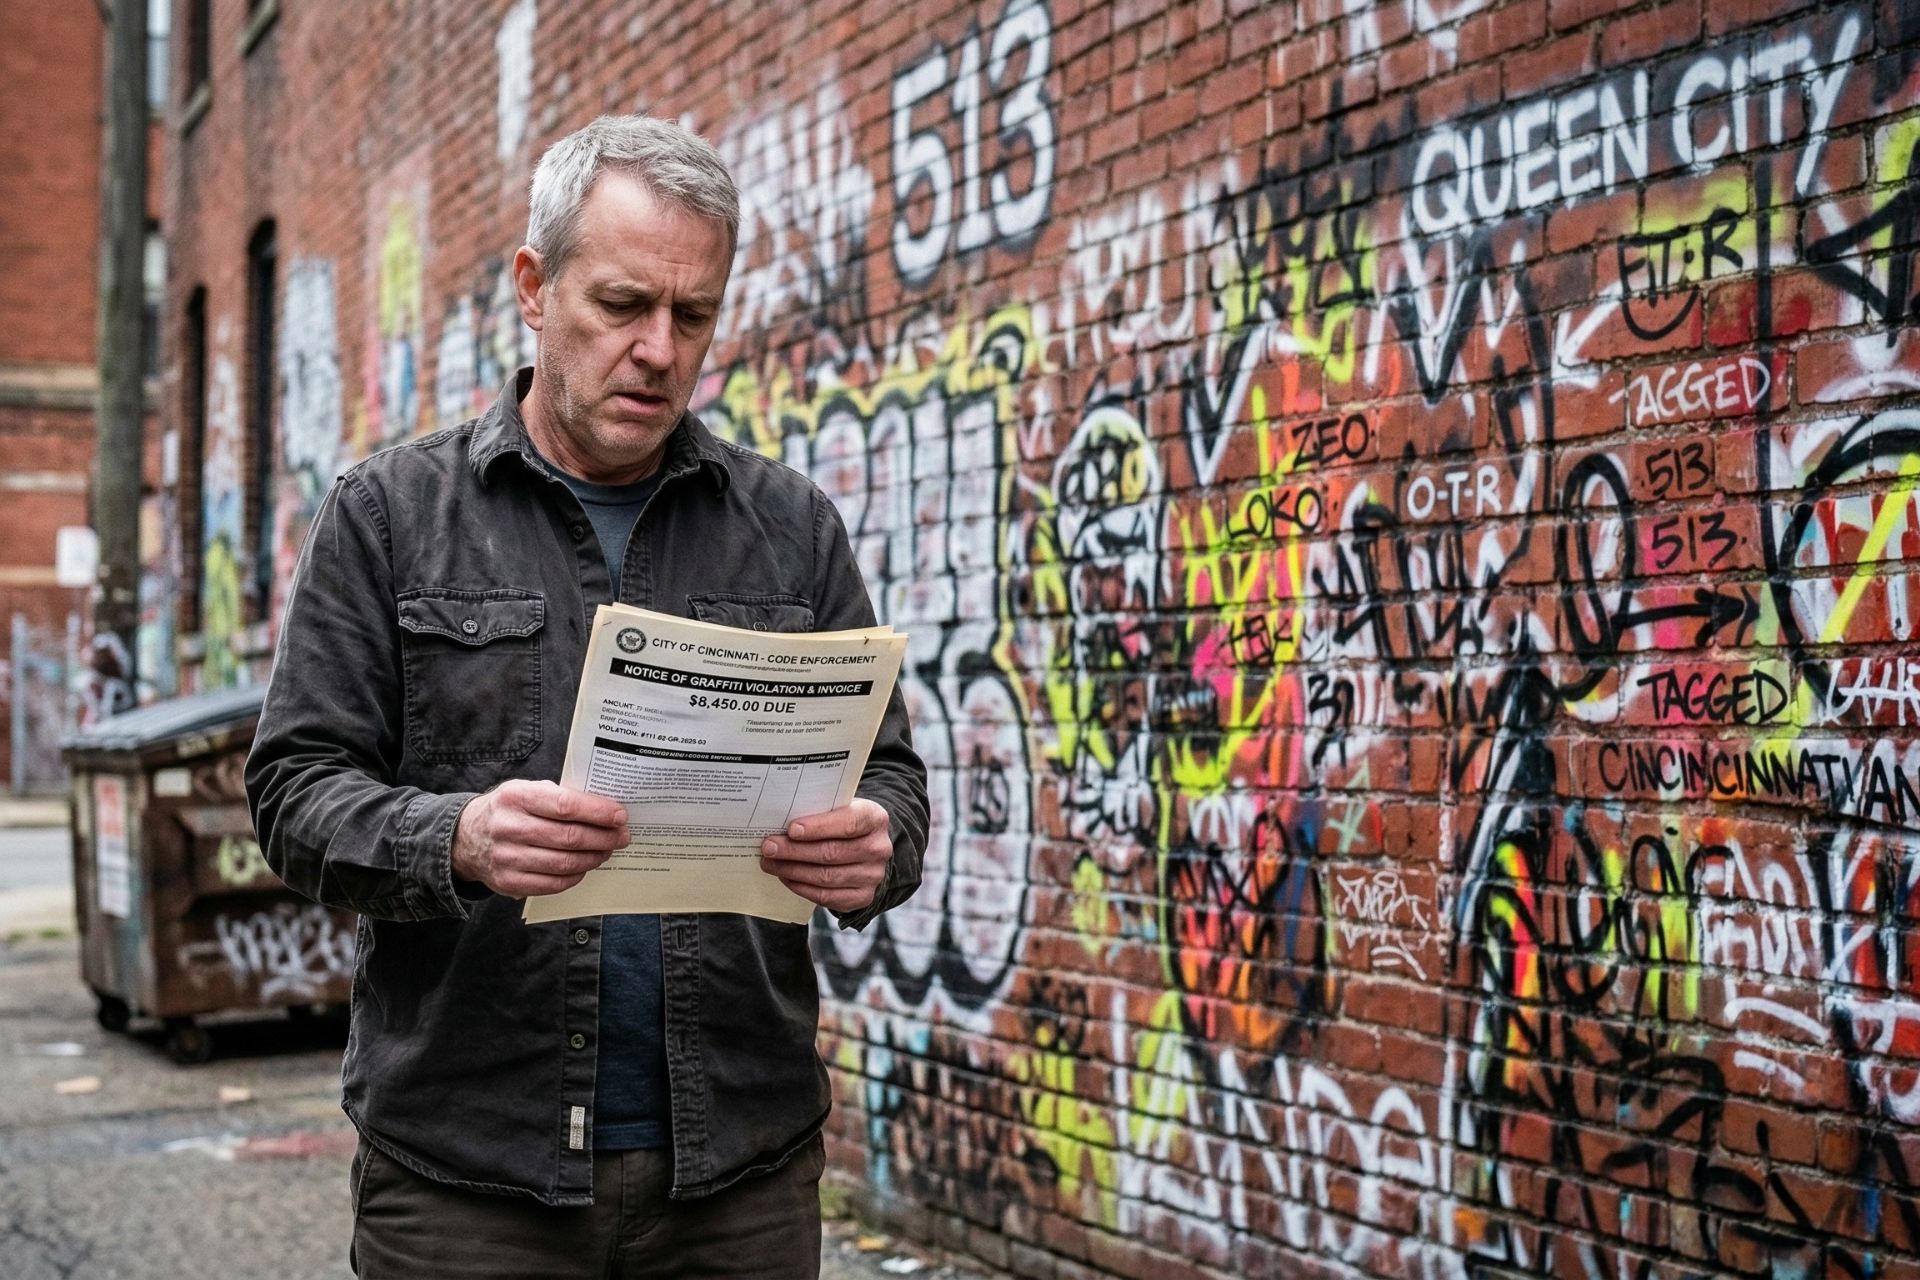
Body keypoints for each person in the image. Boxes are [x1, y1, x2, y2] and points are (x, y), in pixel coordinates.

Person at [246, 115, 927, 1279]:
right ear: (534, 284)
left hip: (741, 1176)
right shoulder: (389, 514)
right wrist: (454, 835)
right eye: (621, 306)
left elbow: (892, 778)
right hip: (468, 1177)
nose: (659, 349)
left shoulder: (793, 528)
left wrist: (880, 845)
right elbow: (292, 793)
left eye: (693, 315)